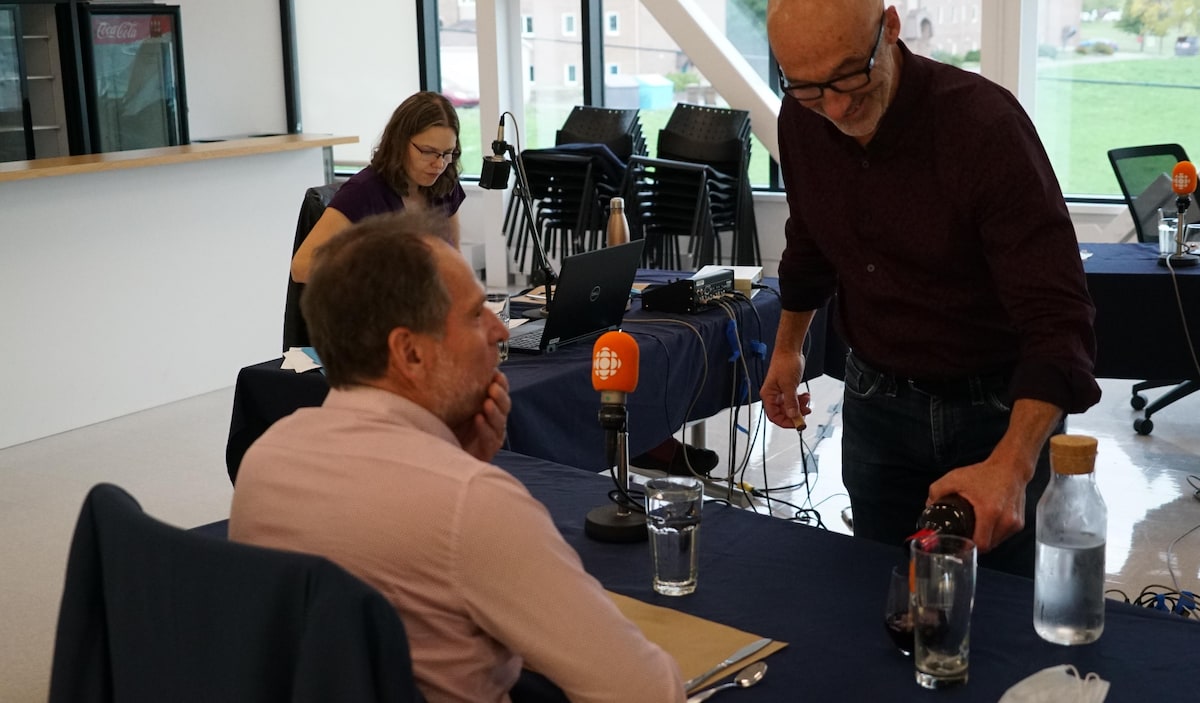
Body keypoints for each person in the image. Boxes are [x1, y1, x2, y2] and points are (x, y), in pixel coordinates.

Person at [231, 211, 684, 703]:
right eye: (475, 314)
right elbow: (646, 691)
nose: (501, 331)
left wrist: (455, 459)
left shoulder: (266, 461)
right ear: (410, 353)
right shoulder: (472, 504)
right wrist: (466, 479)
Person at [761, 0, 1101, 577]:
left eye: (851, 76)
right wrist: (788, 348)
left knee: (1001, 607)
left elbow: (1058, 319)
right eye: (809, 88)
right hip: (876, 405)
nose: (836, 108)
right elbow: (810, 239)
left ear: (891, 28)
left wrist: (1013, 466)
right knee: (879, 591)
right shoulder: (802, 118)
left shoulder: (984, 127)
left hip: (995, 411)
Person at [290, 91, 467, 283]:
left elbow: (454, 256)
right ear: (399, 143)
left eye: (448, 153)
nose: (439, 164)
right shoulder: (362, 192)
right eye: (428, 152)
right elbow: (301, 266)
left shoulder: (445, 182)